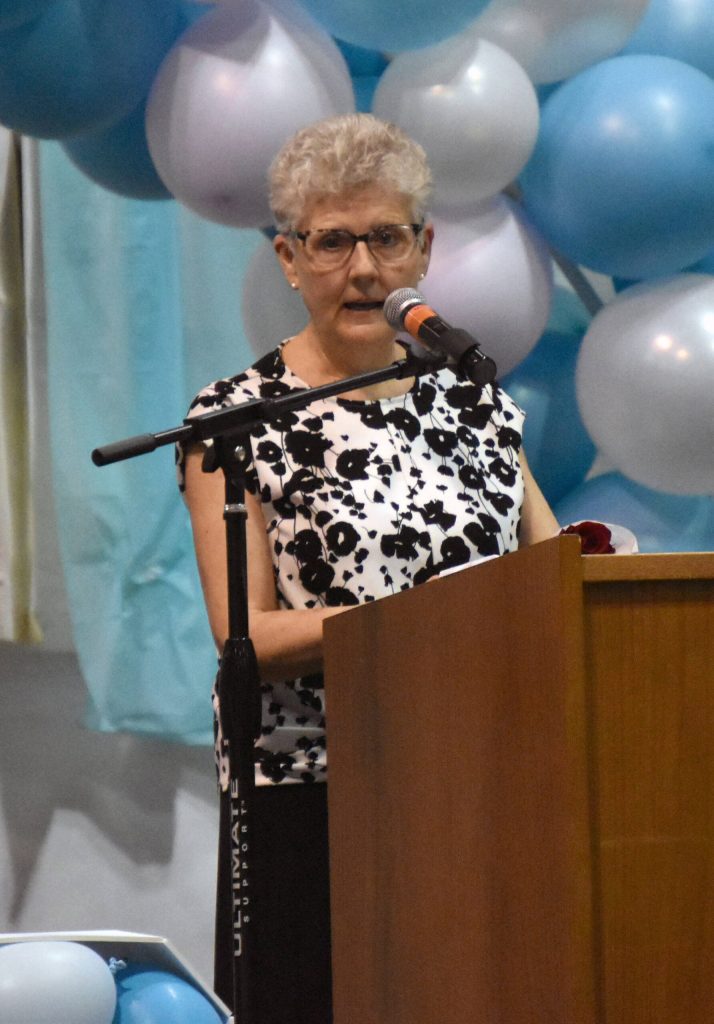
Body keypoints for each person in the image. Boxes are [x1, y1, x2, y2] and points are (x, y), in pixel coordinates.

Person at [178, 112, 559, 1023]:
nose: (363, 270)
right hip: (315, 801)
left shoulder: (470, 397)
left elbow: (550, 575)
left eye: (386, 238)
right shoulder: (233, 421)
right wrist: (425, 624)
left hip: (481, 783)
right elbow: (247, 636)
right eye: (332, 242)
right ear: (287, 258)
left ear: (423, 249)